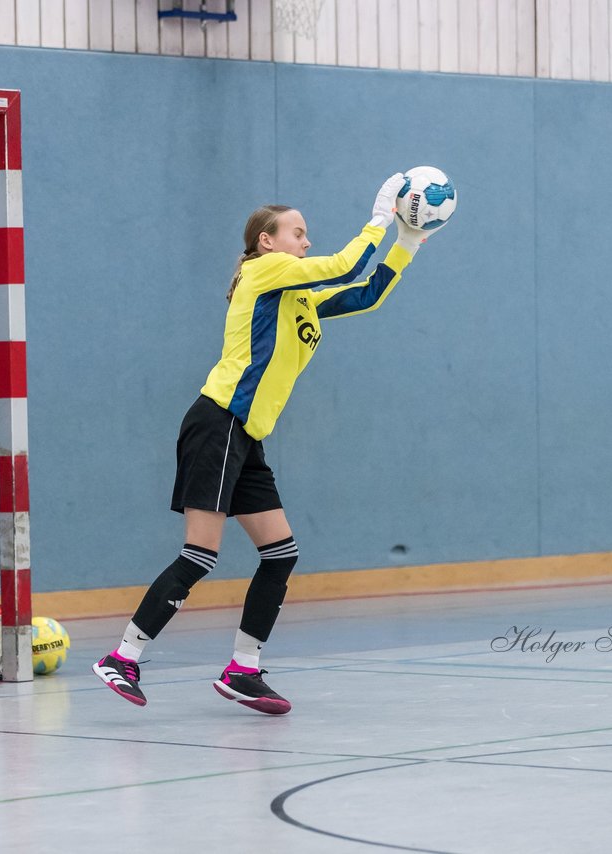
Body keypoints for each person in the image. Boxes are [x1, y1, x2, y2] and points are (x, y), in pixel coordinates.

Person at [93, 173, 436, 715]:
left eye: (306, 234)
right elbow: (345, 265)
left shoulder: (294, 296)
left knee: (281, 554)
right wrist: (379, 218)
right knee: (200, 553)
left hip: (246, 435)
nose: (305, 241)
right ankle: (123, 657)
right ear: (266, 242)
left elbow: (363, 293)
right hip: (219, 421)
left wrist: (408, 243)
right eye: (297, 233)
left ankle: (243, 670)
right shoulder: (265, 271)